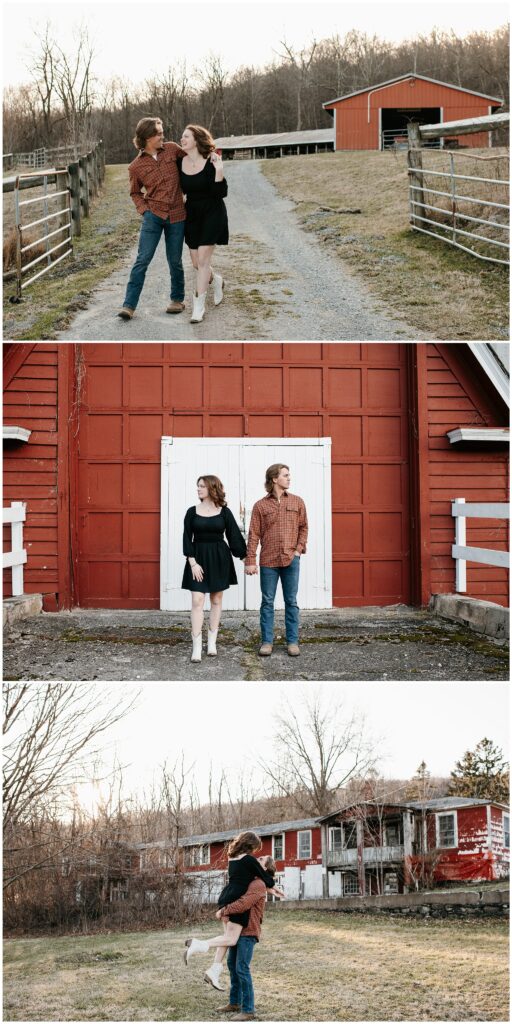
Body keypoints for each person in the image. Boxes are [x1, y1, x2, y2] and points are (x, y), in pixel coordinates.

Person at [184, 832, 283, 996]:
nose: (255, 852)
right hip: (236, 899)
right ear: (250, 845)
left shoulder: (232, 858)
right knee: (231, 939)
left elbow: (253, 877)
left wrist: (269, 887)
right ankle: (199, 944)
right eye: (255, 848)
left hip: (226, 895)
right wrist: (272, 886)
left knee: (226, 939)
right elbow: (267, 878)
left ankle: (214, 972)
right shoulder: (249, 860)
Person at [117, 117, 186, 320]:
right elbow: (135, 193)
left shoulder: (173, 149)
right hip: (153, 217)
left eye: (162, 131)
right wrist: (145, 211)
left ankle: (177, 299)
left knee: (175, 260)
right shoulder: (135, 167)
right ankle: (129, 306)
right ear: (147, 137)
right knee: (142, 260)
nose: (162, 135)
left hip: (177, 215)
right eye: (158, 133)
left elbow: (193, 160)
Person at [245, 464, 308, 658]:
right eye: (285, 475)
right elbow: (253, 534)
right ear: (274, 479)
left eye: (289, 475)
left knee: (291, 601)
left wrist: (298, 550)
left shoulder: (297, 502)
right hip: (268, 561)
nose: (289, 478)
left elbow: (304, 527)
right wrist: (250, 560)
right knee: (267, 602)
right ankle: (267, 642)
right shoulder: (260, 506)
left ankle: (292, 641)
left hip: (291, 559)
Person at [182, 475, 246, 663]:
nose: (198, 489)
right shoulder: (191, 512)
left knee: (216, 599)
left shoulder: (224, 512)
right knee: (197, 600)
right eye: (198, 486)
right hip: (198, 558)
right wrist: (192, 563)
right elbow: (187, 538)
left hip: (219, 557)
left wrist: (245, 558)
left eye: (202, 486)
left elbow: (234, 536)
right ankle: (196, 647)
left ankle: (212, 642)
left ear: (211, 488)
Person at [216, 855, 281, 1021]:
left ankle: (248, 1010)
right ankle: (234, 1002)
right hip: (238, 930)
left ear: (265, 868)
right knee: (232, 965)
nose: (255, 861)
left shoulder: (258, 884)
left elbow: (244, 903)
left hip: (249, 931)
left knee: (242, 968)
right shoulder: (253, 881)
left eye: (260, 860)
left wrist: (224, 911)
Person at [178, 124, 228, 324]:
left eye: (186, 136)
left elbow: (220, 193)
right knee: (196, 263)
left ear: (197, 140)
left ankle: (198, 307)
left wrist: (219, 170)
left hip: (212, 212)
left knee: (204, 262)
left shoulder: (211, 161)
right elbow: (180, 190)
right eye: (182, 137)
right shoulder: (179, 162)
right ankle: (216, 281)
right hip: (192, 214)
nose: (182, 139)